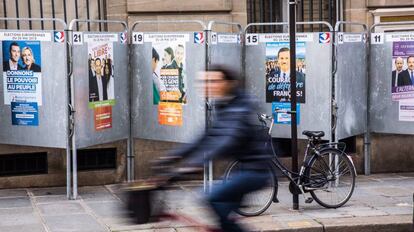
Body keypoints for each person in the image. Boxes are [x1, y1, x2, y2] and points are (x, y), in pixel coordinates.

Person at [153, 65, 271, 232]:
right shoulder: (224, 105)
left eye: (214, 81)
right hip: (242, 168)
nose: (208, 85)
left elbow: (227, 140)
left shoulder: (240, 107)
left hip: (255, 171)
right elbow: (204, 138)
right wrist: (171, 157)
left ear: (229, 83)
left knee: (211, 198)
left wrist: (194, 164)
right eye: (205, 81)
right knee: (219, 209)